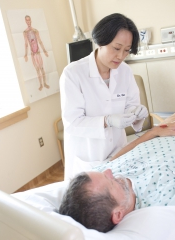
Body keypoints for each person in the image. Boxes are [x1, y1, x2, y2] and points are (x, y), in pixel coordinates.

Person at [59, 116, 175, 238]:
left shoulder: (100, 181)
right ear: (118, 214)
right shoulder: (169, 203)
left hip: (168, 128)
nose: (109, 172)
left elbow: (113, 161)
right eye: (111, 182)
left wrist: (153, 132)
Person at [60, 13, 148, 180]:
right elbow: (73, 122)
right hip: (88, 158)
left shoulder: (125, 71)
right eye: (116, 48)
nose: (121, 56)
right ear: (100, 41)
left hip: (118, 153)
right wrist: (107, 121)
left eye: (126, 50)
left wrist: (137, 111)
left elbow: (131, 105)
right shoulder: (73, 74)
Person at [23, 15, 50, 91]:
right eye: (26, 20)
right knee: (37, 69)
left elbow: (40, 41)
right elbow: (26, 44)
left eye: (29, 20)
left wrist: (44, 51)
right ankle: (41, 84)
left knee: (41, 68)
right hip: (33, 54)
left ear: (31, 20)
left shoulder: (35, 31)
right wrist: (25, 54)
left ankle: (44, 83)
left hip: (38, 53)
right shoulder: (25, 32)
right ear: (25, 21)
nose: (28, 22)